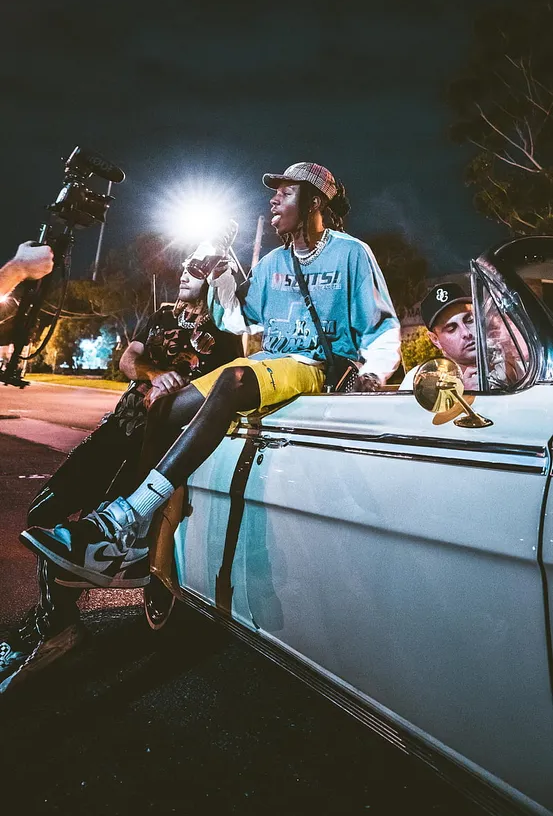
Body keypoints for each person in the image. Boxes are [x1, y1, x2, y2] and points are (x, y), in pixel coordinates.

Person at [21, 162, 401, 589]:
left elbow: (382, 326)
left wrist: (373, 374)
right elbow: (239, 319)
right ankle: (139, 536)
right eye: (273, 191)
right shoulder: (274, 261)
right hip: (272, 361)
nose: (273, 199)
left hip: (313, 367)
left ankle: (123, 519)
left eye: (286, 192)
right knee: (163, 406)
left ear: (314, 201)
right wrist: (220, 274)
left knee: (233, 378)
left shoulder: (351, 252)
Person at [0, 260, 240, 693]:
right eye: (186, 263)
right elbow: (129, 358)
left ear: (216, 277)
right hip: (118, 427)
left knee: (91, 531)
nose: (186, 270)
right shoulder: (163, 314)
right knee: (43, 511)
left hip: (156, 444)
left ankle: (55, 630)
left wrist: (180, 388)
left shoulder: (226, 332)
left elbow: (221, 394)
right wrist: (155, 374)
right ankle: (56, 621)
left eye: (199, 266)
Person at [400, 283, 477, 391]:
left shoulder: (501, 365)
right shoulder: (418, 382)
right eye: (451, 329)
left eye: (470, 320)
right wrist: (465, 395)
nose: (466, 333)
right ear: (435, 340)